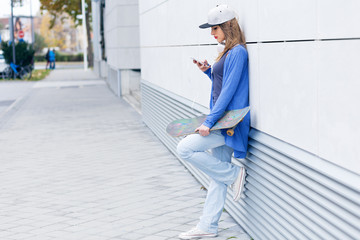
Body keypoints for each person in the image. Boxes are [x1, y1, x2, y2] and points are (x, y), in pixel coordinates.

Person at [177, 5, 250, 239]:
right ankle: (207, 226)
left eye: (215, 28)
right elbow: (223, 82)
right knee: (216, 178)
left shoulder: (238, 52)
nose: (212, 34)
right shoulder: (229, 52)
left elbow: (228, 92)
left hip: (228, 124)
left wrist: (209, 122)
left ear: (229, 25)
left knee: (185, 148)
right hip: (222, 120)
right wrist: (209, 71)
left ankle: (233, 175)